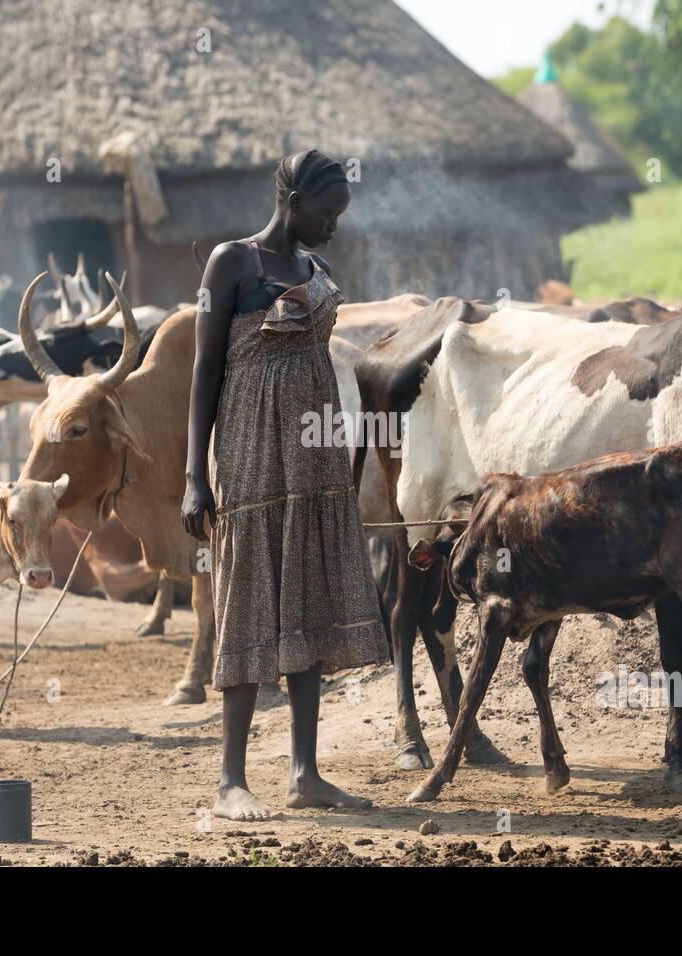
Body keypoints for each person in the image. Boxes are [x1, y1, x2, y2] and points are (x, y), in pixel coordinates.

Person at [182, 149, 386, 821]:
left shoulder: (314, 270)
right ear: (292, 202)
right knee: (246, 598)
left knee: (307, 599)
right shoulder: (231, 263)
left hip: (314, 463)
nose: (333, 228)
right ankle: (231, 781)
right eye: (327, 214)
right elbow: (206, 371)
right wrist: (193, 477)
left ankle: (305, 772)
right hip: (251, 456)